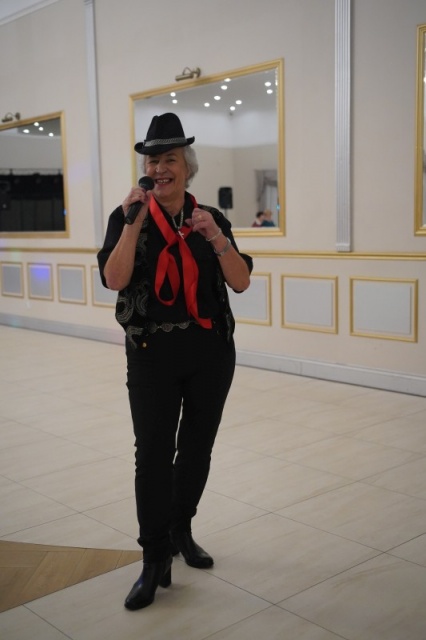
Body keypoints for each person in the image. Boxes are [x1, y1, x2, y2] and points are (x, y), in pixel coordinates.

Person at [97, 112, 252, 611]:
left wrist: (216, 237)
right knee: (152, 455)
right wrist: (132, 223)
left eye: (169, 160)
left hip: (210, 353)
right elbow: (114, 279)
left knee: (197, 449)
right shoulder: (126, 216)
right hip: (151, 355)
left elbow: (241, 281)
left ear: (187, 168)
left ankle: (182, 529)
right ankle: (153, 556)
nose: (159, 169)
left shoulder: (210, 218)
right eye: (152, 161)